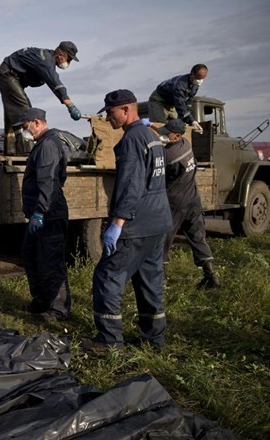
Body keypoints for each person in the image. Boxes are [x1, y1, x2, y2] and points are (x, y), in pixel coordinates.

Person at [82, 90, 173, 353]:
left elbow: (131, 185)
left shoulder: (132, 139)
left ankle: (109, 342)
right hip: (158, 222)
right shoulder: (151, 137)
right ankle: (154, 339)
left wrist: (118, 222)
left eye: (110, 113)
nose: (107, 118)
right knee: (149, 281)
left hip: (136, 225)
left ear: (125, 110)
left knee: (107, 277)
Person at [14, 107, 71, 321]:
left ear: (37, 123)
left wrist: (40, 211)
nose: (23, 131)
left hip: (49, 215)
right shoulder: (42, 145)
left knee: (51, 261)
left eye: (24, 126)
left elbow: (49, 183)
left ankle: (58, 309)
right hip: (41, 214)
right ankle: (42, 301)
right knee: (31, 256)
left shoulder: (48, 145)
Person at [158, 119, 219, 288]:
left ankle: (161, 280)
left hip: (175, 203)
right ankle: (211, 276)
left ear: (177, 135)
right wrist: (150, 124)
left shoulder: (169, 156)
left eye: (167, 132)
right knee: (197, 237)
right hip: (193, 200)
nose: (163, 134)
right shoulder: (186, 144)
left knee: (163, 239)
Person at [0, 41, 82, 155]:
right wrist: (70, 105)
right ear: (61, 54)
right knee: (26, 114)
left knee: (14, 112)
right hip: (8, 75)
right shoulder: (45, 60)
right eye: (69, 59)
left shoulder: (47, 59)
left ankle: (11, 150)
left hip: (11, 76)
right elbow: (54, 82)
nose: (68, 62)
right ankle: (26, 153)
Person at [148, 64, 208, 134]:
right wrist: (192, 121)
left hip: (171, 103)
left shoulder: (195, 85)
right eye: (198, 78)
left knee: (176, 126)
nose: (200, 81)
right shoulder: (179, 85)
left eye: (202, 79)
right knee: (160, 124)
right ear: (192, 74)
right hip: (159, 100)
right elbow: (180, 105)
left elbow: (188, 102)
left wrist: (190, 120)